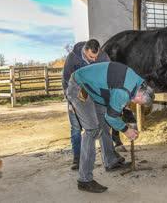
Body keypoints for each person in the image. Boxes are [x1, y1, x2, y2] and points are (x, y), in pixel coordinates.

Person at [67, 61, 154, 193]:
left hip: (96, 89)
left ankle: (110, 161)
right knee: (92, 130)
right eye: (139, 103)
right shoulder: (123, 92)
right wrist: (126, 130)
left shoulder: (139, 82)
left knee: (104, 124)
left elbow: (119, 103)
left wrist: (125, 116)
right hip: (79, 86)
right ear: (140, 95)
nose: (136, 104)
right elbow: (112, 116)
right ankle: (84, 180)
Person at [62, 39, 124, 170]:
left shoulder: (103, 57)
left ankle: (110, 159)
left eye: (96, 57)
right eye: (91, 57)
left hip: (96, 94)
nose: (94, 60)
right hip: (77, 95)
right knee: (77, 127)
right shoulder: (73, 58)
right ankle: (77, 159)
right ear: (85, 50)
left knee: (104, 125)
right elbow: (66, 81)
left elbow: (109, 76)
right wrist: (70, 102)